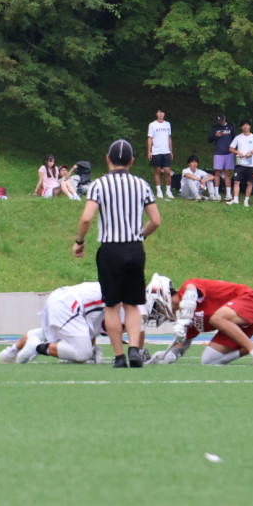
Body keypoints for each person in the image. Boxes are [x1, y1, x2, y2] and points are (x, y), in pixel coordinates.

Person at [73, 139, 161, 368]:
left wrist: (79, 242)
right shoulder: (142, 185)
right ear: (132, 161)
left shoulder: (99, 185)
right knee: (132, 304)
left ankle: (120, 357)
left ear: (107, 159)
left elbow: (86, 218)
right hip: (134, 249)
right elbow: (155, 220)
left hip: (110, 250)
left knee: (112, 305)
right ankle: (134, 349)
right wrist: (140, 235)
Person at [143, 275, 253, 366]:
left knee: (217, 319)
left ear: (163, 294)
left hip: (251, 301)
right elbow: (179, 348)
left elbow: (191, 291)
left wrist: (184, 319)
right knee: (209, 360)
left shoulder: (188, 287)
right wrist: (165, 356)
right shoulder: (186, 320)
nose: (157, 312)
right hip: (238, 324)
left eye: (156, 307)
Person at [0, 281, 121, 365]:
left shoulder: (111, 288)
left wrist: (92, 346)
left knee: (48, 334)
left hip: (61, 297)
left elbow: (92, 324)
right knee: (83, 353)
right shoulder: (122, 302)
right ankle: (37, 347)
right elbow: (101, 325)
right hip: (69, 304)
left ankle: (11, 352)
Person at [226, 120, 253, 207]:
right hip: (240, 164)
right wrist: (238, 152)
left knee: (250, 182)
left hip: (251, 165)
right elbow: (231, 148)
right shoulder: (238, 137)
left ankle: (246, 200)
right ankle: (235, 199)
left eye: (247, 125)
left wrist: (251, 152)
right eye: (243, 125)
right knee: (236, 181)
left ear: (250, 126)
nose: (245, 127)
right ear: (241, 127)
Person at [147, 108, 174, 200]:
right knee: (157, 170)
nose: (160, 114)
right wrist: (149, 151)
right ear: (156, 114)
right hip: (156, 151)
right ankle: (159, 190)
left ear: (164, 114)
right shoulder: (152, 125)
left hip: (166, 151)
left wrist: (171, 150)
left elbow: (169, 137)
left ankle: (168, 190)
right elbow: (150, 138)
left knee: (167, 171)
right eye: (159, 112)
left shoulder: (167, 124)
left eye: (162, 112)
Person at [208, 114, 236, 200]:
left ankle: (228, 194)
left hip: (229, 152)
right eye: (219, 121)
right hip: (218, 152)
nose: (220, 122)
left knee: (227, 172)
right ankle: (216, 193)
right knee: (217, 173)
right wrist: (215, 136)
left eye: (221, 120)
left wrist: (233, 149)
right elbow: (210, 140)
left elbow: (235, 138)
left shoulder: (231, 127)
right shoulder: (215, 127)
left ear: (225, 118)